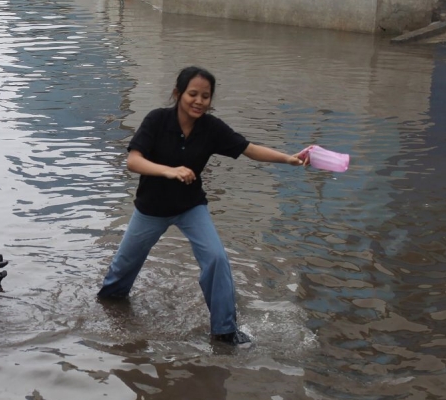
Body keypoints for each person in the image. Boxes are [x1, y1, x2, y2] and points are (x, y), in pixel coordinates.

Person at [97, 66, 308, 347]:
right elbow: (133, 161)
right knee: (119, 279)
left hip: (190, 207)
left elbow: (249, 149)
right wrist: (169, 171)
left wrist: (289, 159)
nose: (199, 101)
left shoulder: (211, 128)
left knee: (217, 259)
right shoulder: (157, 120)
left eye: (205, 96)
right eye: (192, 94)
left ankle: (224, 331)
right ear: (178, 94)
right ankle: (109, 309)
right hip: (151, 208)